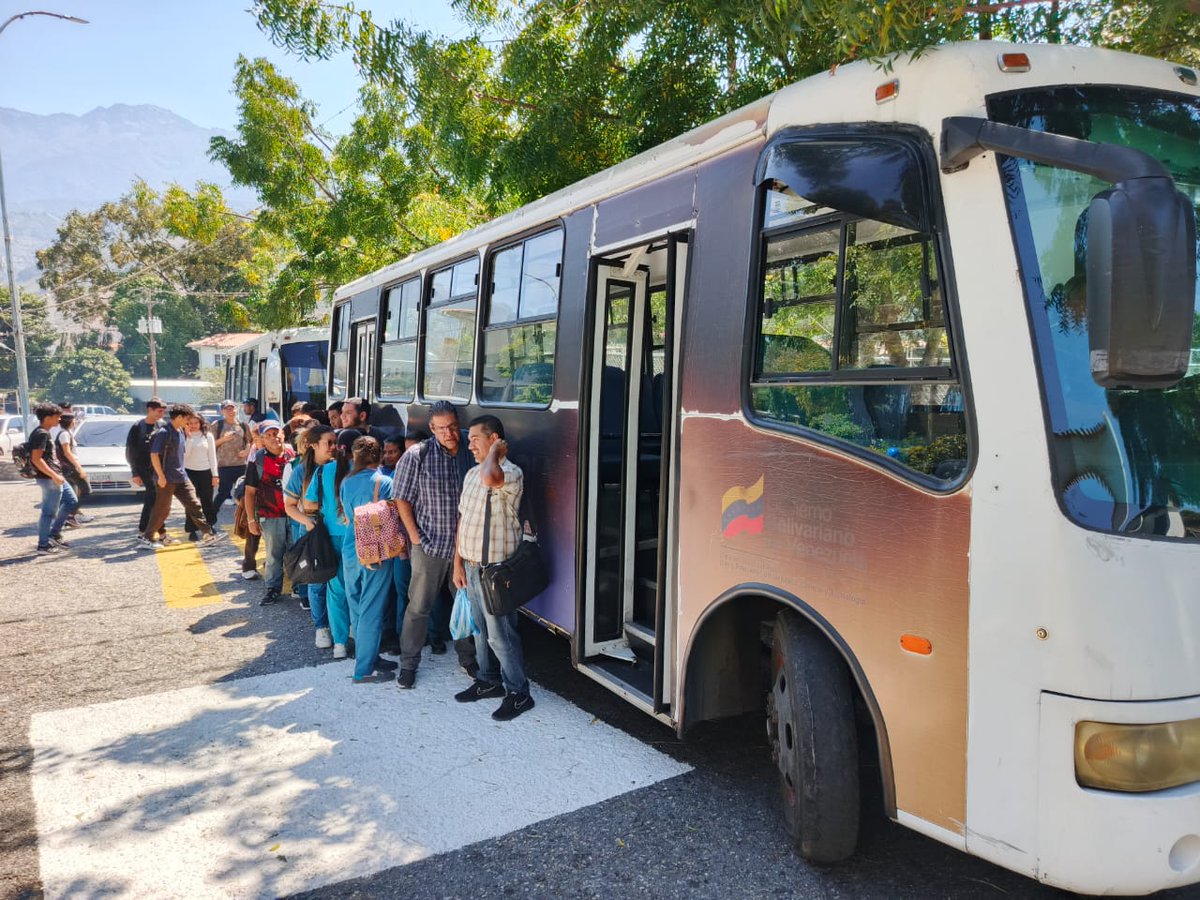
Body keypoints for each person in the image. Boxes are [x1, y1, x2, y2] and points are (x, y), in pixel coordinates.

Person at [452, 415, 534, 720]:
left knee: (501, 634)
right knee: (480, 629)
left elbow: (491, 478)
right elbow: (462, 519)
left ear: (495, 439)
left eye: (475, 438)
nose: (469, 444)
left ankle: (519, 692)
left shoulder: (511, 473)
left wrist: (496, 454)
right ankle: (488, 681)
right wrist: (457, 563)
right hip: (472, 566)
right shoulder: (472, 472)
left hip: (495, 570)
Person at [391, 401, 478, 689]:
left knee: (465, 606)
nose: (449, 433)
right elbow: (401, 499)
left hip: (465, 549)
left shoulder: (472, 449)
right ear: (431, 429)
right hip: (429, 545)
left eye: (452, 426)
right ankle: (408, 664)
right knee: (418, 608)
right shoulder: (417, 455)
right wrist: (415, 538)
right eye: (441, 429)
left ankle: (469, 660)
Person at [338, 435, 401, 683]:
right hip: (375, 550)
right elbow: (391, 516)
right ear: (379, 456)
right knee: (372, 608)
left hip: (351, 547)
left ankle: (369, 656)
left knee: (356, 605)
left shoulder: (346, 481)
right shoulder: (384, 481)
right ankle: (363, 670)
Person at [295, 425, 354, 658]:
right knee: (361, 590)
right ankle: (360, 635)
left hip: (331, 537)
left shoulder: (322, 472)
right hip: (359, 539)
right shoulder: (366, 472)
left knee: (336, 591)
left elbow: (308, 505)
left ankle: (339, 644)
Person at [140, 404, 223, 549]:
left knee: (194, 504)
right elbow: (154, 454)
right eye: (187, 418)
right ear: (179, 417)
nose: (189, 422)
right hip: (167, 478)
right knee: (162, 509)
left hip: (181, 476)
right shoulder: (164, 432)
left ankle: (208, 534)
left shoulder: (180, 431)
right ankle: (147, 537)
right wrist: (160, 476)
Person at [243, 421, 292, 604]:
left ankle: (299, 587)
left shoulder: (293, 455)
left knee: (296, 550)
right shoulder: (258, 460)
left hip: (294, 514)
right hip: (270, 514)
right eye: (268, 435)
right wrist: (251, 520)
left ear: (283, 434)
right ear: (262, 439)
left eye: (276, 433)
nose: (274, 438)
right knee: (273, 554)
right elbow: (249, 492)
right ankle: (272, 588)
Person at [29, 403, 78, 555]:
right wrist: (54, 475)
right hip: (49, 478)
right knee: (48, 512)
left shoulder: (45, 432)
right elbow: (36, 459)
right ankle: (43, 545)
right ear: (48, 418)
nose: (60, 419)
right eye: (57, 416)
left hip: (55, 476)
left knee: (71, 501)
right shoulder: (41, 433)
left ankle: (54, 534)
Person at [126, 398, 167, 542]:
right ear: (149, 410)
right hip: (144, 469)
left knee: (151, 500)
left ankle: (143, 530)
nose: (161, 414)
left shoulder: (162, 426)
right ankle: (161, 533)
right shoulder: (138, 426)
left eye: (163, 411)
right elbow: (131, 451)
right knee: (155, 500)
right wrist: (135, 472)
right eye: (159, 411)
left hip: (159, 469)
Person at [182, 413, 219, 540]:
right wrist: (189, 438)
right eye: (190, 423)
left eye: (196, 423)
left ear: (200, 423)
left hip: (205, 472)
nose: (193, 425)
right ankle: (192, 529)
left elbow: (212, 456)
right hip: (189, 472)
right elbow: (185, 456)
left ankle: (210, 525)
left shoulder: (207, 436)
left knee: (207, 500)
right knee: (191, 502)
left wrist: (215, 475)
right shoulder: (184, 436)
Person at [53, 411, 93, 527]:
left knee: (72, 494)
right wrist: (79, 468)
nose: (75, 422)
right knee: (86, 490)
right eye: (74, 420)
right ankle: (70, 516)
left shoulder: (67, 433)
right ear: (70, 422)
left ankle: (66, 517)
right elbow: (67, 452)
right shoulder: (64, 434)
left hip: (69, 467)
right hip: (69, 467)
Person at [212, 400, 251, 510]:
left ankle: (245, 522)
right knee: (223, 493)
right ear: (222, 411)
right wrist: (223, 439)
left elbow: (249, 441)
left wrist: (247, 450)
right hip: (224, 465)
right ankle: (210, 519)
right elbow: (210, 444)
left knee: (243, 494)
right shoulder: (217, 425)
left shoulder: (243, 425)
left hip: (240, 465)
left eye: (232, 408)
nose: (231, 411)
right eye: (227, 409)